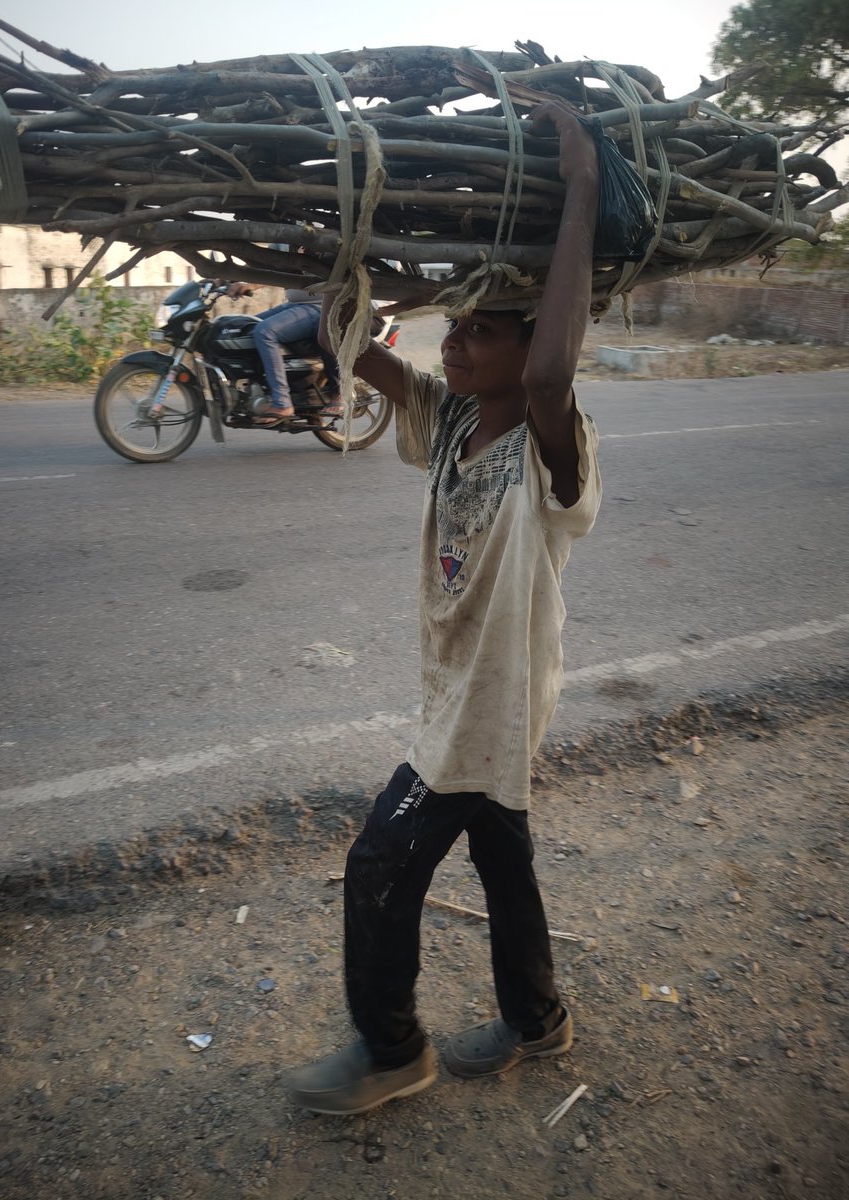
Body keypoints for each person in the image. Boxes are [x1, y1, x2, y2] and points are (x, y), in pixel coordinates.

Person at [287, 97, 602, 1115]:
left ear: (530, 349)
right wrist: (338, 244)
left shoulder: (558, 442)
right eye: (455, 326)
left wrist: (582, 187)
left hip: (492, 699)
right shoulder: (452, 413)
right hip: (457, 683)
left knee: (382, 855)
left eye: (482, 331)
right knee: (500, 847)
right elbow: (350, 336)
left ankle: (391, 1049)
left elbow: (554, 370)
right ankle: (540, 1018)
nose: (456, 343)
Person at [226, 282, 341, 421]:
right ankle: (259, 392)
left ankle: (282, 403)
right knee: (242, 328)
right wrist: (222, 279)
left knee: (265, 332)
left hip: (319, 307)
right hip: (294, 305)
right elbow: (267, 265)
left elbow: (278, 269)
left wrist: (251, 284)